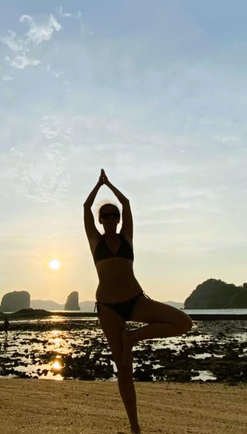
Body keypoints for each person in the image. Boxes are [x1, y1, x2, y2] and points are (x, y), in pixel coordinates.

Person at [83, 169, 193, 434]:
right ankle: (134, 427)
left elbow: (127, 204)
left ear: (118, 219)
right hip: (109, 308)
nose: (110, 218)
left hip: (135, 300)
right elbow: (86, 206)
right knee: (124, 368)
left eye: (114, 215)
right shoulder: (95, 240)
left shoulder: (126, 238)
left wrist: (111, 184)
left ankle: (133, 338)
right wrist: (98, 186)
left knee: (183, 322)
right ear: (100, 220)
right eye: (105, 216)